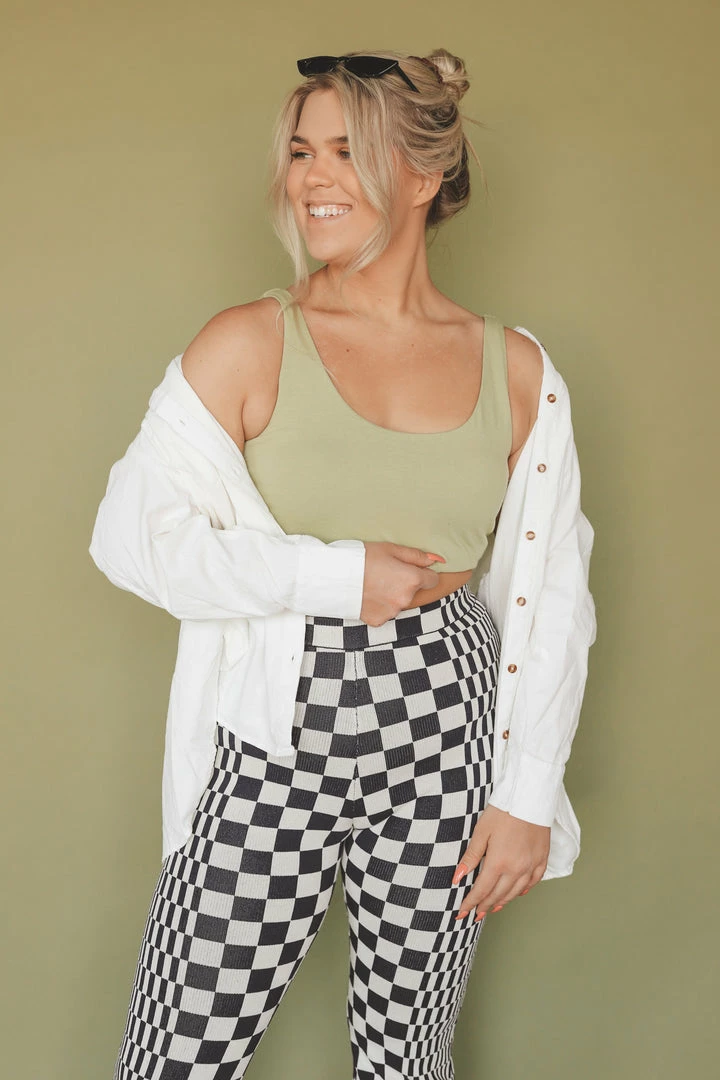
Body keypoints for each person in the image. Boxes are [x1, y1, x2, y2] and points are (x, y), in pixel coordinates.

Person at [89, 48, 597, 1080]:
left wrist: (528, 794)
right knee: (177, 1052)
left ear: (424, 175)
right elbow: (129, 537)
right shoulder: (248, 342)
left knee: (407, 1056)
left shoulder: (517, 368)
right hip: (275, 727)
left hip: (448, 726)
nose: (311, 179)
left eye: (344, 152)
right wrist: (332, 579)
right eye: (299, 152)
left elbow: (554, 596)